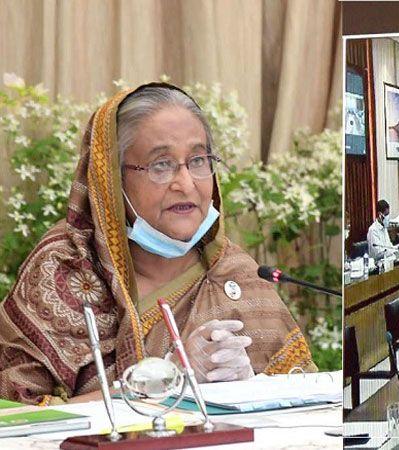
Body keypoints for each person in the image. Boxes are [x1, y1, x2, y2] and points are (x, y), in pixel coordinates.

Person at [0, 84, 316, 405]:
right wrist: (166, 379)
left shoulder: (235, 274)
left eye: (198, 160)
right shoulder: (65, 267)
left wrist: (252, 386)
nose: (186, 184)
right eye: (161, 165)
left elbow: (303, 400)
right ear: (112, 180)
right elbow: (15, 414)